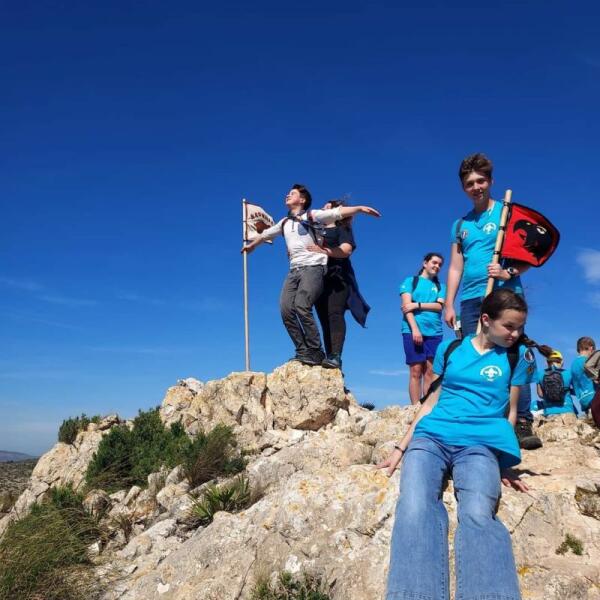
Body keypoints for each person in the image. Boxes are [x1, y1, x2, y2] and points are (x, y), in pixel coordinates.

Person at [378, 289, 543, 600]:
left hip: (479, 445)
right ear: (485, 320)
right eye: (509, 326)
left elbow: (510, 412)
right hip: (432, 437)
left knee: (479, 512)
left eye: (519, 327)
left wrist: (504, 461)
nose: (516, 333)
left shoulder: (515, 356)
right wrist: (400, 449)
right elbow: (430, 403)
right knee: (414, 506)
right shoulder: (451, 348)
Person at [444, 153, 542, 451]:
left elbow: (531, 251)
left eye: (481, 181)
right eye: (469, 183)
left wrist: (508, 270)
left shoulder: (506, 213)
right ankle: (485, 415)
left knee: (512, 351)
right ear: (463, 187)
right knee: (476, 354)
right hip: (472, 297)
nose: (476, 187)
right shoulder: (460, 224)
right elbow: (455, 266)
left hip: (504, 294)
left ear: (490, 181)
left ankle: (522, 420)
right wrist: (449, 303)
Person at [241, 184, 380, 366]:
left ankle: (318, 351)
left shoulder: (312, 216)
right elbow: (266, 233)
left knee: (303, 306)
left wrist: (359, 209)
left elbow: (337, 214)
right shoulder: (284, 222)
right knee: (285, 309)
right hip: (294, 270)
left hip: (315, 268)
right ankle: (303, 350)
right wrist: (252, 246)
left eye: (292, 193)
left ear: (303, 199)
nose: (287, 195)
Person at [307, 200, 371, 370]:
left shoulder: (342, 228)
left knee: (335, 314)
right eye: (324, 207)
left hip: (338, 277)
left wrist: (325, 251)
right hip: (318, 278)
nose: (325, 208)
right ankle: (329, 359)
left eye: (330, 207)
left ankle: (336, 356)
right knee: (323, 320)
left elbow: (346, 249)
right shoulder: (315, 230)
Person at [399, 253, 446, 404]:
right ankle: (414, 408)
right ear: (425, 263)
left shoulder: (440, 287)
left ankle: (427, 406)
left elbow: (439, 306)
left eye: (440, 265)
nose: (437, 266)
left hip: (435, 333)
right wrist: (415, 330)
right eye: (434, 262)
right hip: (412, 330)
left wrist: (417, 304)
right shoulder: (410, 281)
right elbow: (406, 308)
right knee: (416, 371)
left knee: (430, 372)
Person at [537, 350, 577, 417]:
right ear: (562, 362)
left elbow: (540, 394)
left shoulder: (540, 374)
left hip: (549, 412)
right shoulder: (569, 373)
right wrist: (568, 390)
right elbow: (576, 392)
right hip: (567, 411)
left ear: (547, 362)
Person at [570, 336, 597, 415]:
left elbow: (574, 387)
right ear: (591, 348)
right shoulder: (590, 362)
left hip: (584, 402)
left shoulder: (573, 365)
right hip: (595, 400)